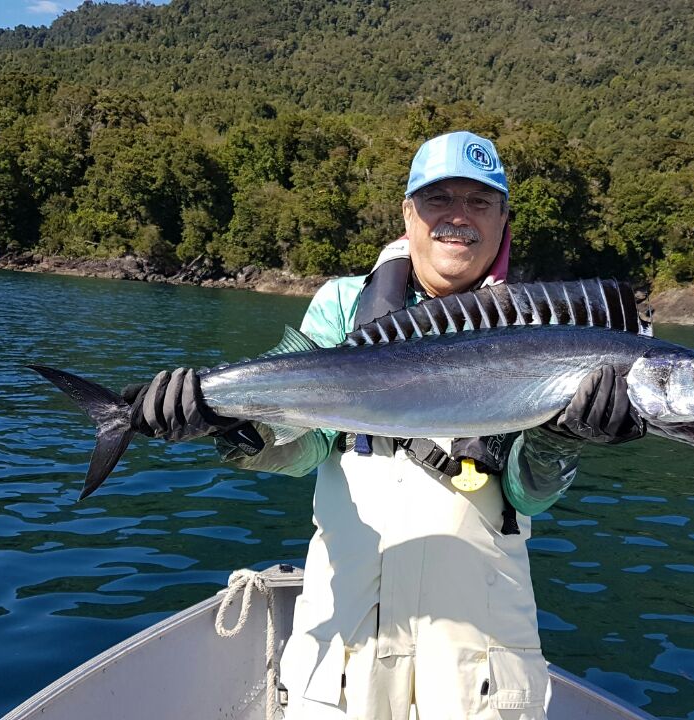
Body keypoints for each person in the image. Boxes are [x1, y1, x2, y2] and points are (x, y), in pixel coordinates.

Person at [127, 131, 644, 719]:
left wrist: (560, 439)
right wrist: (230, 427)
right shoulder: (344, 304)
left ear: (504, 219)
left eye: (479, 203)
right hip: (344, 643)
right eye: (438, 200)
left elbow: (529, 494)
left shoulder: (544, 331)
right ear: (407, 212)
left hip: (478, 655)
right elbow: (301, 447)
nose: (458, 218)